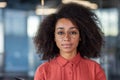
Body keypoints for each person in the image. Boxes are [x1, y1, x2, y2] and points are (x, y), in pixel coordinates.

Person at [34, 2, 106, 80]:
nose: (66, 38)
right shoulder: (43, 71)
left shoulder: (95, 69)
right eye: (60, 32)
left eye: (73, 32)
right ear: (54, 37)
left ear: (81, 36)